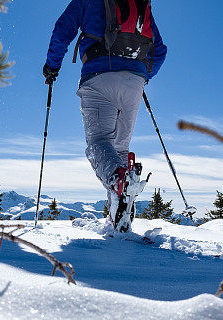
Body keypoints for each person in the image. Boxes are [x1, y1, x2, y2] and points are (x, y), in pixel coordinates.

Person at [43, 0, 167, 232]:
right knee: (119, 149)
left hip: (99, 76)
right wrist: (142, 75)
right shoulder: (138, 3)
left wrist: (52, 66)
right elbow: (159, 50)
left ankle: (119, 182)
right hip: (134, 82)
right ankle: (118, 218)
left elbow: (62, 30)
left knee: (99, 143)